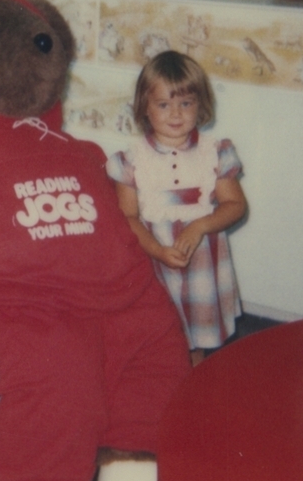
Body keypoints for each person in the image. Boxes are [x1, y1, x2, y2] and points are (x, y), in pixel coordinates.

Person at [106, 51, 247, 366]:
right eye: (163, 104)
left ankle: (194, 376)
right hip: (154, 258)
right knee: (164, 330)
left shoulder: (215, 152)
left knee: (197, 331)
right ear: (145, 106)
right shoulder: (131, 160)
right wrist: (156, 249)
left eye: (186, 103)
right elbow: (127, 216)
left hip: (203, 262)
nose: (176, 114)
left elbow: (235, 205)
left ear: (200, 105)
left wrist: (199, 226)